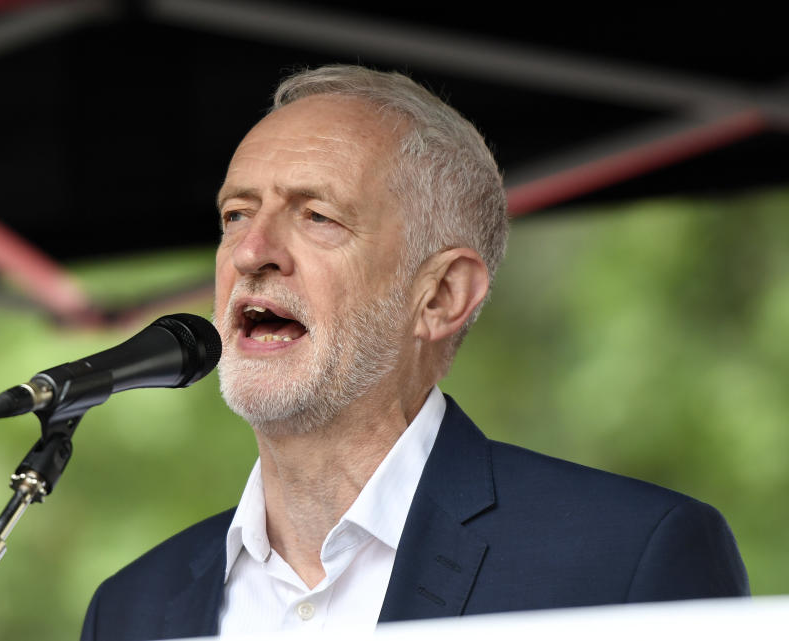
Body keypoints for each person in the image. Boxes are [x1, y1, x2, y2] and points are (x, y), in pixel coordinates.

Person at [80, 65, 749, 640]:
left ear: (441, 296)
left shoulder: (627, 558)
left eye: (318, 216)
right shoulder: (133, 608)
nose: (252, 252)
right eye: (236, 215)